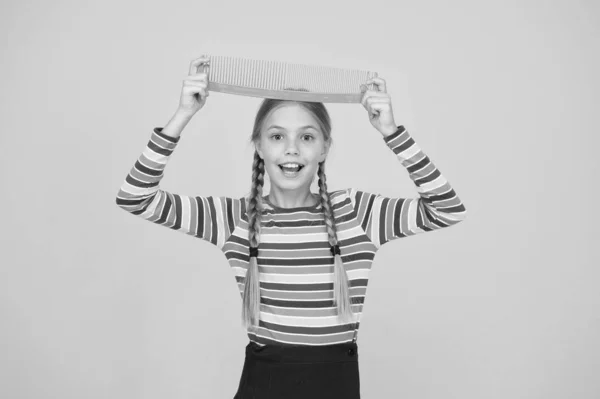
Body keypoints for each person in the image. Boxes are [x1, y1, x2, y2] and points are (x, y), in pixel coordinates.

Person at [115, 55, 467, 398]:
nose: (292, 150)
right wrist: (182, 115)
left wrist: (391, 132)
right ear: (259, 146)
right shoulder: (235, 219)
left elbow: (447, 210)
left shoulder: (357, 213)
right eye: (278, 137)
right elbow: (135, 198)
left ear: (325, 148)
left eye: (307, 137)